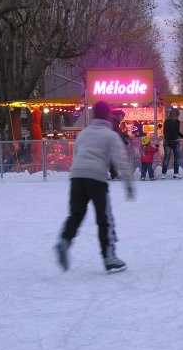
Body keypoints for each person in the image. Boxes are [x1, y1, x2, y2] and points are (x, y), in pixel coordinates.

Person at [54, 101, 134, 273]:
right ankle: (108, 256)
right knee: (104, 219)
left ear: (92, 115)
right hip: (97, 177)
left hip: (77, 177)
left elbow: (76, 154)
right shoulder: (110, 135)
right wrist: (128, 183)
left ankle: (64, 241)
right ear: (109, 116)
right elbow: (120, 159)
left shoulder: (83, 134)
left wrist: (78, 173)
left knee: (76, 215)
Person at [161, 108, 183, 179]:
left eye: (178, 115)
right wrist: (168, 140)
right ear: (173, 114)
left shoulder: (177, 122)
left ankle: (176, 173)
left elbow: (177, 132)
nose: (177, 117)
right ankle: (163, 173)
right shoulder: (167, 121)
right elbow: (165, 132)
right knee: (167, 157)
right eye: (176, 115)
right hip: (168, 142)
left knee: (177, 158)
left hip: (176, 141)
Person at [109, 109, 129, 180]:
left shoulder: (113, 121)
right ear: (118, 115)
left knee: (111, 159)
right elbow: (116, 132)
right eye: (122, 116)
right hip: (110, 143)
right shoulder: (113, 122)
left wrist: (125, 135)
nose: (122, 118)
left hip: (109, 142)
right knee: (113, 159)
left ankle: (114, 174)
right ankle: (114, 175)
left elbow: (118, 131)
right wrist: (125, 141)